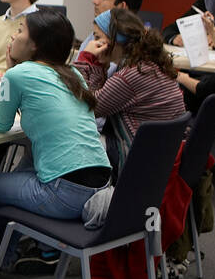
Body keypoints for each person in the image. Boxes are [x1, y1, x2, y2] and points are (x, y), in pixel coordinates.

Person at [0, 10, 111, 274]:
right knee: (28, 159)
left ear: (34, 45)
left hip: (64, 194)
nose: (14, 37)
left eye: (20, 31)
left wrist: (11, 70)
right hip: (99, 187)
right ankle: (5, 257)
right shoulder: (74, 74)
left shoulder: (19, 75)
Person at [75, 9, 184, 171]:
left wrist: (85, 59)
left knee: (68, 144)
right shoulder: (147, 64)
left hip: (139, 158)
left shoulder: (132, 75)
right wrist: (98, 66)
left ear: (115, 40)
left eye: (97, 37)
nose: (93, 42)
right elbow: (97, 99)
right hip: (159, 153)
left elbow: (87, 107)